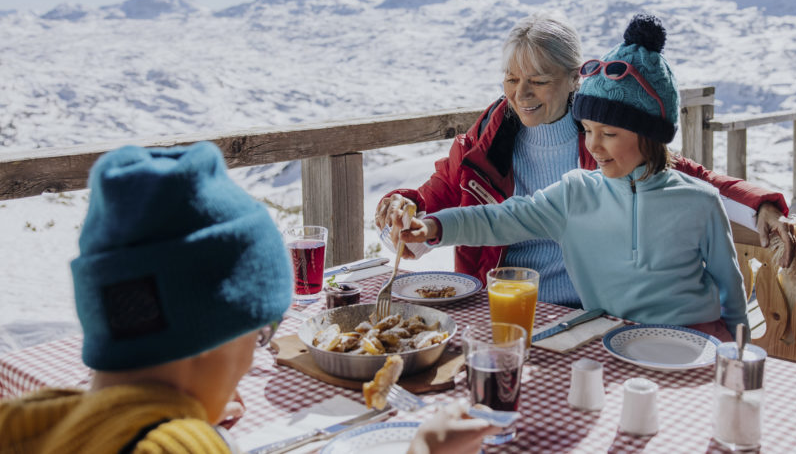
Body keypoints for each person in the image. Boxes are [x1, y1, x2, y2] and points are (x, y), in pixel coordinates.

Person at [0, 142, 497, 454]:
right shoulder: (179, 446)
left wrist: (195, 398)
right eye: (261, 335)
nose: (246, 368)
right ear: (208, 338)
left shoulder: (27, 419)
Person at [377, 12, 794, 308]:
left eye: (538, 81)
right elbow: (428, 204)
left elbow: (691, 179)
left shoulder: (605, 139)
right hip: (501, 306)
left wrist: (762, 207)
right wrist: (401, 213)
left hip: (592, 311)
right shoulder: (483, 145)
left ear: (575, 77)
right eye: (511, 79)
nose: (521, 94)